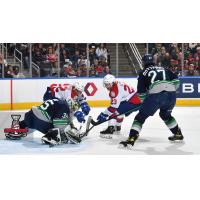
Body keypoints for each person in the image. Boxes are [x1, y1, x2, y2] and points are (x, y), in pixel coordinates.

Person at [120, 54, 183, 148]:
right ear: (153, 62)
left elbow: (141, 93)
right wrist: (167, 89)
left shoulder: (142, 73)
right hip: (171, 95)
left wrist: (145, 102)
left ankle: (132, 138)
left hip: (155, 96)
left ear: (143, 62)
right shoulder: (164, 68)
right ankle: (178, 133)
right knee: (165, 115)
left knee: (140, 117)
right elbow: (177, 82)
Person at [6, 98, 86, 146]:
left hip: (31, 114)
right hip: (40, 121)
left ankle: (17, 129)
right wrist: (66, 134)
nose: (74, 110)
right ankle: (50, 136)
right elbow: (59, 125)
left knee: (26, 123)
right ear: (71, 104)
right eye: (74, 108)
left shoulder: (58, 101)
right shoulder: (65, 107)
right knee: (59, 132)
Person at [96, 74, 142, 139]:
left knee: (113, 113)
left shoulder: (114, 91)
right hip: (136, 100)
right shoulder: (118, 82)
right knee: (120, 112)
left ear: (112, 83)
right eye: (105, 84)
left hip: (132, 102)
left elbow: (113, 108)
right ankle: (117, 128)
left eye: (108, 84)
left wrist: (104, 114)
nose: (106, 86)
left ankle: (110, 130)